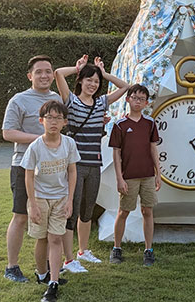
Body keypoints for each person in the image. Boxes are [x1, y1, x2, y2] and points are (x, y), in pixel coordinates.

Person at [54, 54, 129, 270]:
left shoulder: (101, 103)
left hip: (94, 164)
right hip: (74, 166)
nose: (93, 84)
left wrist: (104, 73)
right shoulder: (71, 101)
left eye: (96, 82)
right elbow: (58, 74)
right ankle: (69, 260)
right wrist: (77, 68)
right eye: (89, 80)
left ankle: (83, 251)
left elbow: (124, 87)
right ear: (80, 81)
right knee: (72, 211)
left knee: (87, 210)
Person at [2, 55, 61, 282]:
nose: (44, 75)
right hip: (23, 166)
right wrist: (41, 138)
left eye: (48, 71)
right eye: (39, 72)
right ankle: (12, 267)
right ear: (30, 76)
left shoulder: (56, 98)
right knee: (21, 216)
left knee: (46, 219)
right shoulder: (19, 100)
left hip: (51, 169)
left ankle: (44, 270)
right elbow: (8, 133)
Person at [21, 100, 78, 302]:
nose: (53, 122)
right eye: (49, 118)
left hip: (61, 198)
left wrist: (70, 200)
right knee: (42, 238)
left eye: (58, 118)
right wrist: (33, 205)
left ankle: (53, 282)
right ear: (41, 121)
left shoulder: (69, 144)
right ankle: (42, 273)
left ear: (64, 122)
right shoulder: (35, 147)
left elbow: (72, 171)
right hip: (40, 198)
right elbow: (28, 176)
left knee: (55, 238)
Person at [108, 84, 161, 266]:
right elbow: (116, 153)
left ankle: (148, 250)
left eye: (141, 99)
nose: (137, 101)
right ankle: (116, 248)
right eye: (134, 97)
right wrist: (119, 178)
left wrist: (158, 173)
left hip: (147, 175)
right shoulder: (120, 125)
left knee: (148, 211)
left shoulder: (150, 123)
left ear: (146, 103)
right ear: (128, 99)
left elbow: (153, 148)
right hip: (128, 176)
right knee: (123, 212)